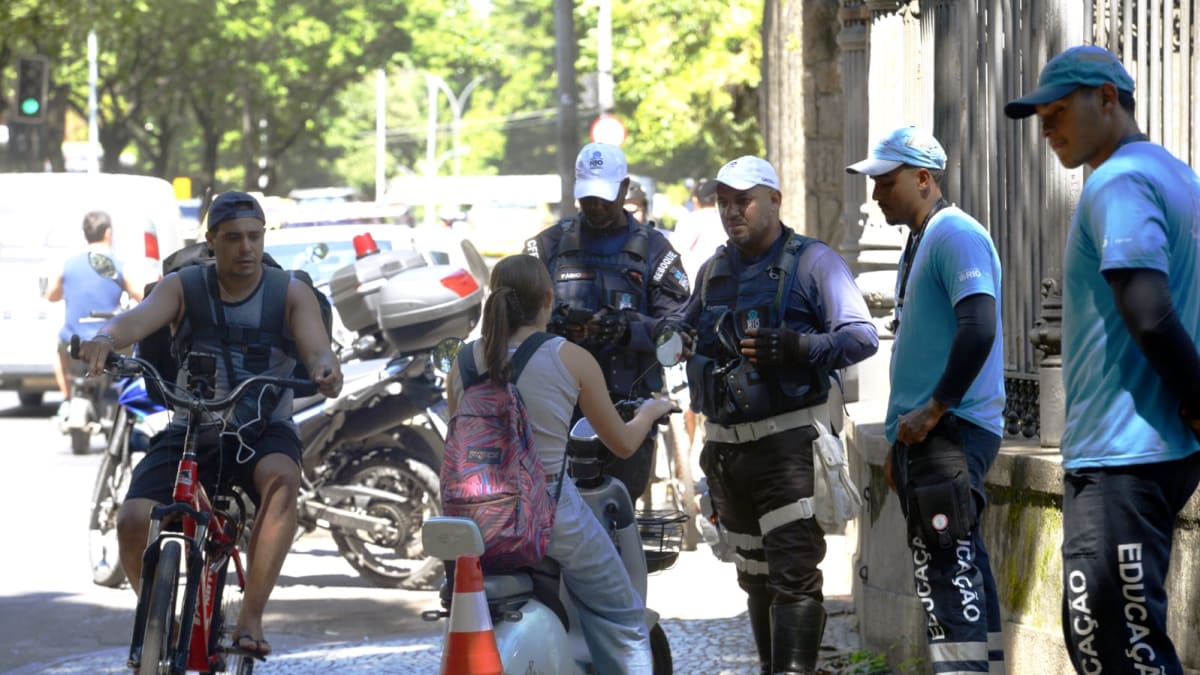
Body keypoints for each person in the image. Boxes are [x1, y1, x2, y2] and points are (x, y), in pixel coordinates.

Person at [76, 191, 343, 659]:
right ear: (212, 241)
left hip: (261, 428)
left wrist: (326, 369)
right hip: (191, 428)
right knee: (133, 520)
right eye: (234, 238)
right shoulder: (184, 287)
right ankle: (159, 618)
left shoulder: (289, 293)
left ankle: (252, 618)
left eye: (255, 237)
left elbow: (318, 349)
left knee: (283, 477)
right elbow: (135, 320)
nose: (247, 248)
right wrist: (103, 339)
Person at [1005, 45, 1200, 674]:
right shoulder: (1180, 177)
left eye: (1059, 112)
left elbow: (1147, 308)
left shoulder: (1118, 180)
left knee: (1110, 641)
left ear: (1108, 100)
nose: (1049, 130)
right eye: (1041, 120)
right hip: (1155, 450)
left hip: (1123, 452)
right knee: (1124, 635)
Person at [680, 155, 878, 674]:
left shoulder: (814, 262)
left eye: (742, 200)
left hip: (789, 447)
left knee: (793, 572)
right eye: (723, 202)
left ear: (774, 199)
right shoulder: (713, 269)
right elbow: (678, 330)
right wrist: (673, 338)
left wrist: (796, 346)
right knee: (754, 574)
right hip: (727, 453)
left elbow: (862, 336)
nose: (731, 211)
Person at [447, 253, 673, 673]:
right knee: (622, 616)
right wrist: (651, 412)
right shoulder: (569, 357)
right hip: (548, 513)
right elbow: (622, 444)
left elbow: (456, 441)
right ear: (548, 299)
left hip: (473, 519)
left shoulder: (461, 363)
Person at [846, 126, 1007, 674]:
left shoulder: (955, 235)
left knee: (947, 570)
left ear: (922, 178)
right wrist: (897, 441)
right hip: (926, 437)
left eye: (885, 182)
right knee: (958, 566)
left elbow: (979, 325)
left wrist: (936, 409)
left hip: (951, 431)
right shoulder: (922, 240)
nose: (875, 195)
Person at [526, 142, 691, 507]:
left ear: (624, 187)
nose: (596, 206)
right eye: (588, 198)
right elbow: (512, 324)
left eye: (604, 196)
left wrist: (626, 329)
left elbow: (679, 335)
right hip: (556, 416)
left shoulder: (656, 251)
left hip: (627, 415)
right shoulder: (547, 247)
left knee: (617, 523)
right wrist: (556, 326)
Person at [44, 211, 144, 407]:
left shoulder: (67, 266)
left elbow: (51, 295)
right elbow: (142, 296)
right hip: (111, 341)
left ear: (85, 234)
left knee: (59, 353)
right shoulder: (119, 266)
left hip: (75, 341)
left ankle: (66, 401)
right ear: (108, 233)